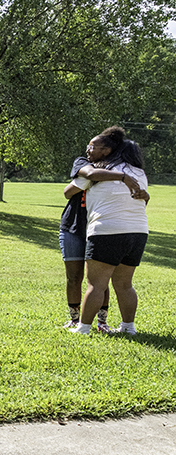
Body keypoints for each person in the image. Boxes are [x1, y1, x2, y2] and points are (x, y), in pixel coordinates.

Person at [65, 127, 149, 336]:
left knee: (96, 285)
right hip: (138, 232)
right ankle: (128, 327)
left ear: (110, 150)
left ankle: (83, 328)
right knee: (125, 284)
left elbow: (68, 192)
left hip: (106, 230)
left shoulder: (100, 171)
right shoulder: (140, 174)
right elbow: (142, 200)